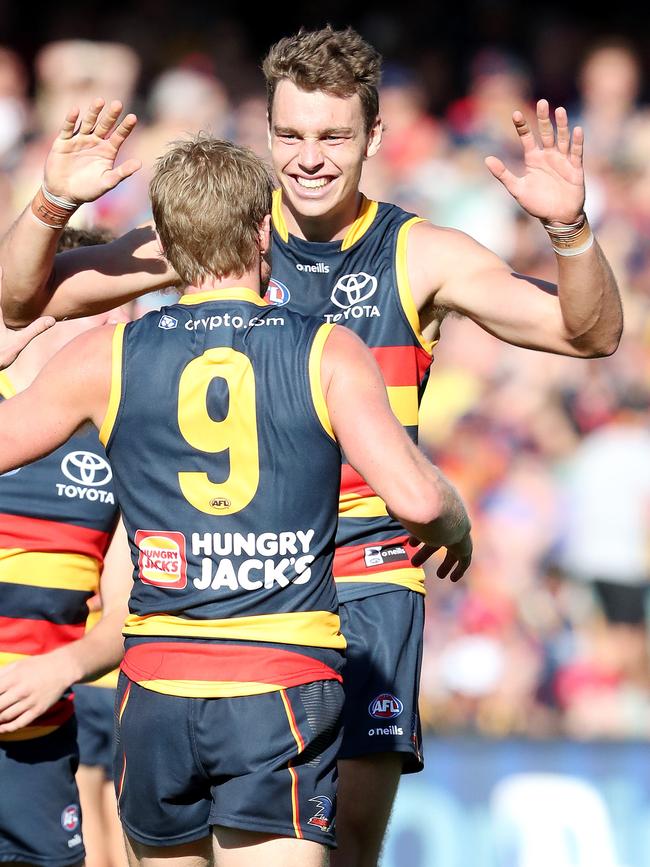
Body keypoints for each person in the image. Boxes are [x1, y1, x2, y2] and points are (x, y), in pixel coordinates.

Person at [0, 26, 622, 867]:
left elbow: (590, 334)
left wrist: (571, 229)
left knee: (343, 844)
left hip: (364, 575)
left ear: (374, 137)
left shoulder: (417, 253)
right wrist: (52, 202)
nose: (309, 158)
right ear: (266, 134)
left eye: (332, 136)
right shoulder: (224, 239)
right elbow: (21, 297)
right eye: (290, 135)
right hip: (232, 579)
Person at [0, 134, 471, 867]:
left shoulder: (106, 355)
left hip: (156, 684)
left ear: (168, 244)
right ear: (262, 232)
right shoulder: (327, 347)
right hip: (276, 680)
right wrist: (455, 517)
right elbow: (412, 496)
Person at [0, 228, 133, 867]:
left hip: (40, 745)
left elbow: (130, 610)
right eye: (109, 300)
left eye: (132, 302)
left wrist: (65, 666)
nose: (125, 318)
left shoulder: (125, 446)